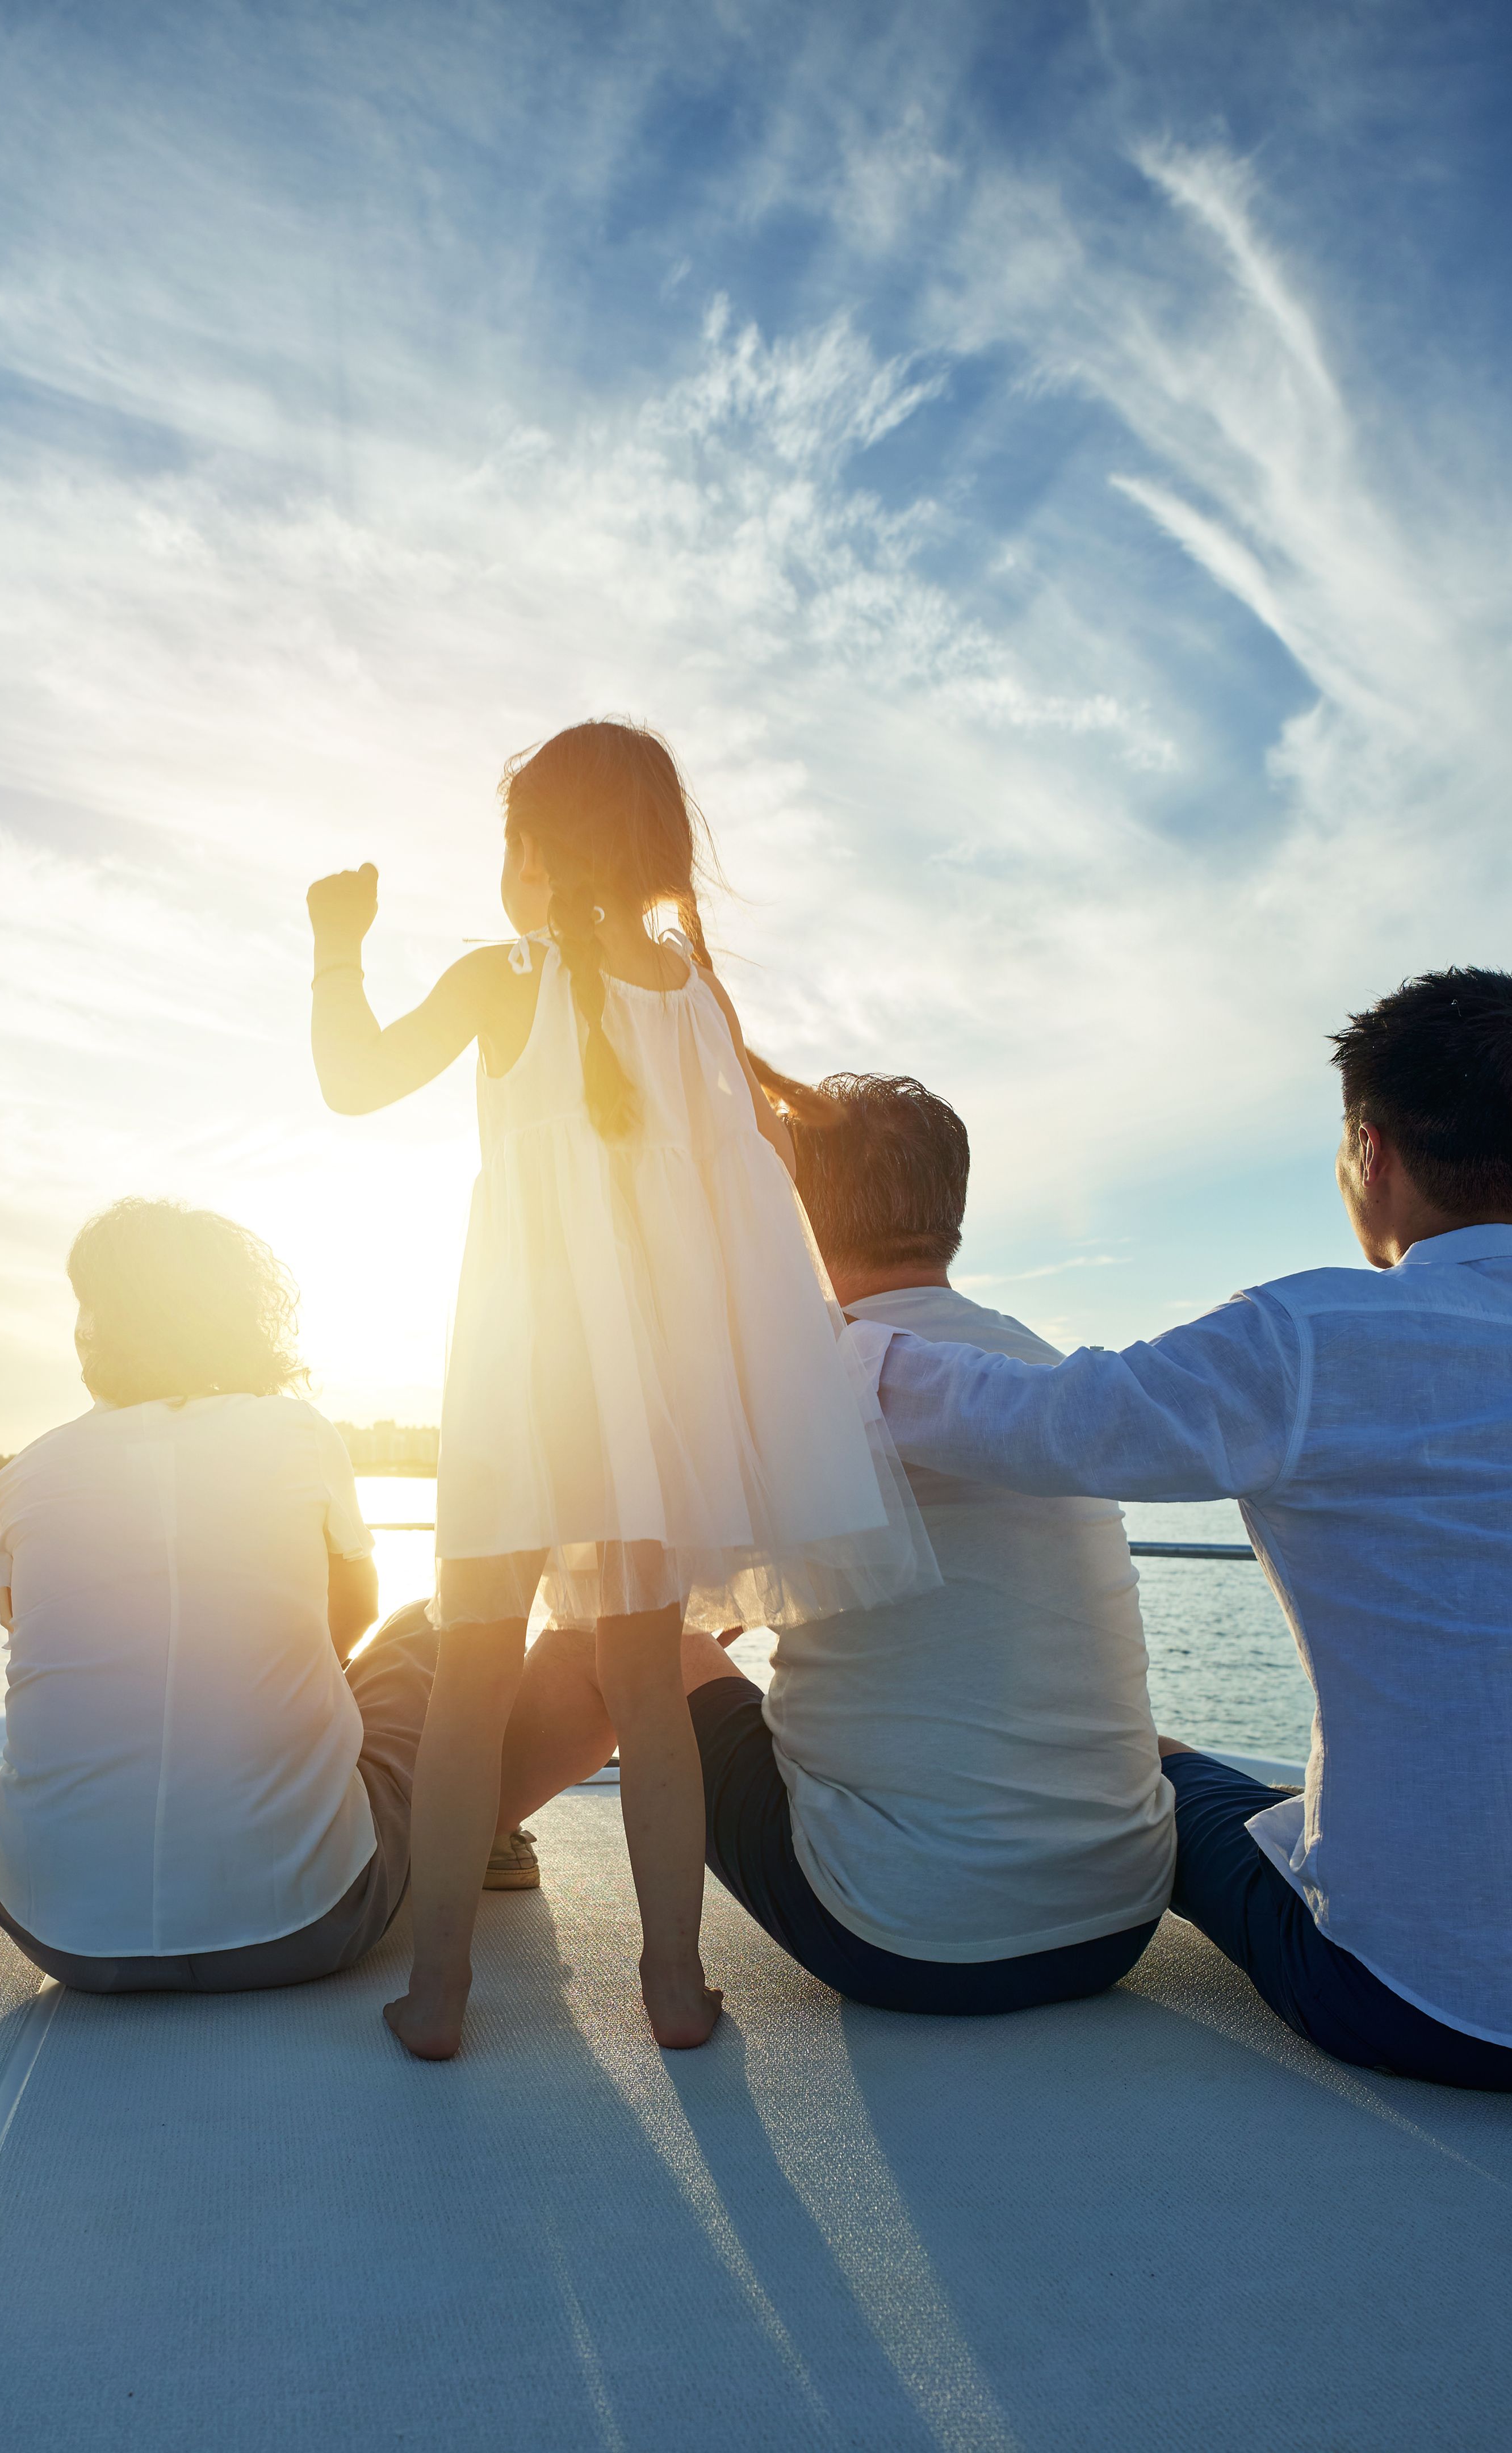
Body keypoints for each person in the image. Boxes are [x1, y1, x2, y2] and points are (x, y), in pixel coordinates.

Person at [855, 971, 1512, 2093]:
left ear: (1369, 1150)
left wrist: (836, 1346)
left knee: (1160, 1785)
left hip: (1419, 2001)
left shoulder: (1307, 1336)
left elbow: (1043, 1423)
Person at [307, 719, 933, 2058]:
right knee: (645, 1690)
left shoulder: (501, 980)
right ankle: (674, 1987)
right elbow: (759, 1211)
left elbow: (352, 1083)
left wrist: (337, 945)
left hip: (520, 1374)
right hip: (650, 1402)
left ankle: (439, 1990)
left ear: (535, 854)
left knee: (474, 1680)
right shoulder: (697, 1002)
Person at [501, 1074, 1176, 2014]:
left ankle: (474, 1833)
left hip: (902, 1935)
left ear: (786, 1202)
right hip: (1115, 1924)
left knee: (599, 1633)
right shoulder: (1037, 1372)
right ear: (950, 1206)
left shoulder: (802, 1372)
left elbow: (641, 1601)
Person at [0, 1199, 460, 1993]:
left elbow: (30, 1633)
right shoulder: (298, 1433)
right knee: (430, 1628)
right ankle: (481, 1831)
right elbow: (356, 1616)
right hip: (309, 1922)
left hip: (59, 1934)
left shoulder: (22, 1476)